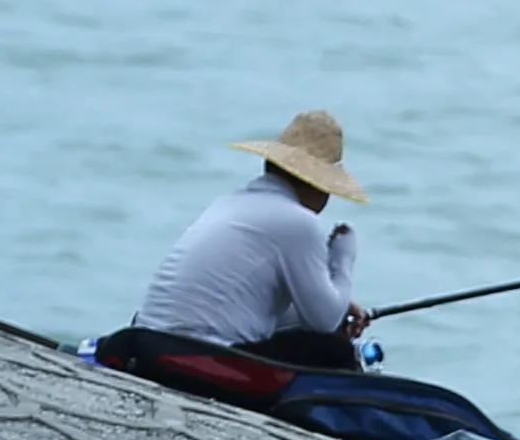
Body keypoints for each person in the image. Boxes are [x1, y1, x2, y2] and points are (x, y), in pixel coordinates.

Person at [135, 110, 372, 365]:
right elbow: (325, 321)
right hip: (202, 355)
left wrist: (341, 303)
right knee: (334, 350)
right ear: (318, 186)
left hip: (151, 341)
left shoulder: (230, 203)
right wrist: (343, 256)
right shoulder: (299, 222)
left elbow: (253, 306)